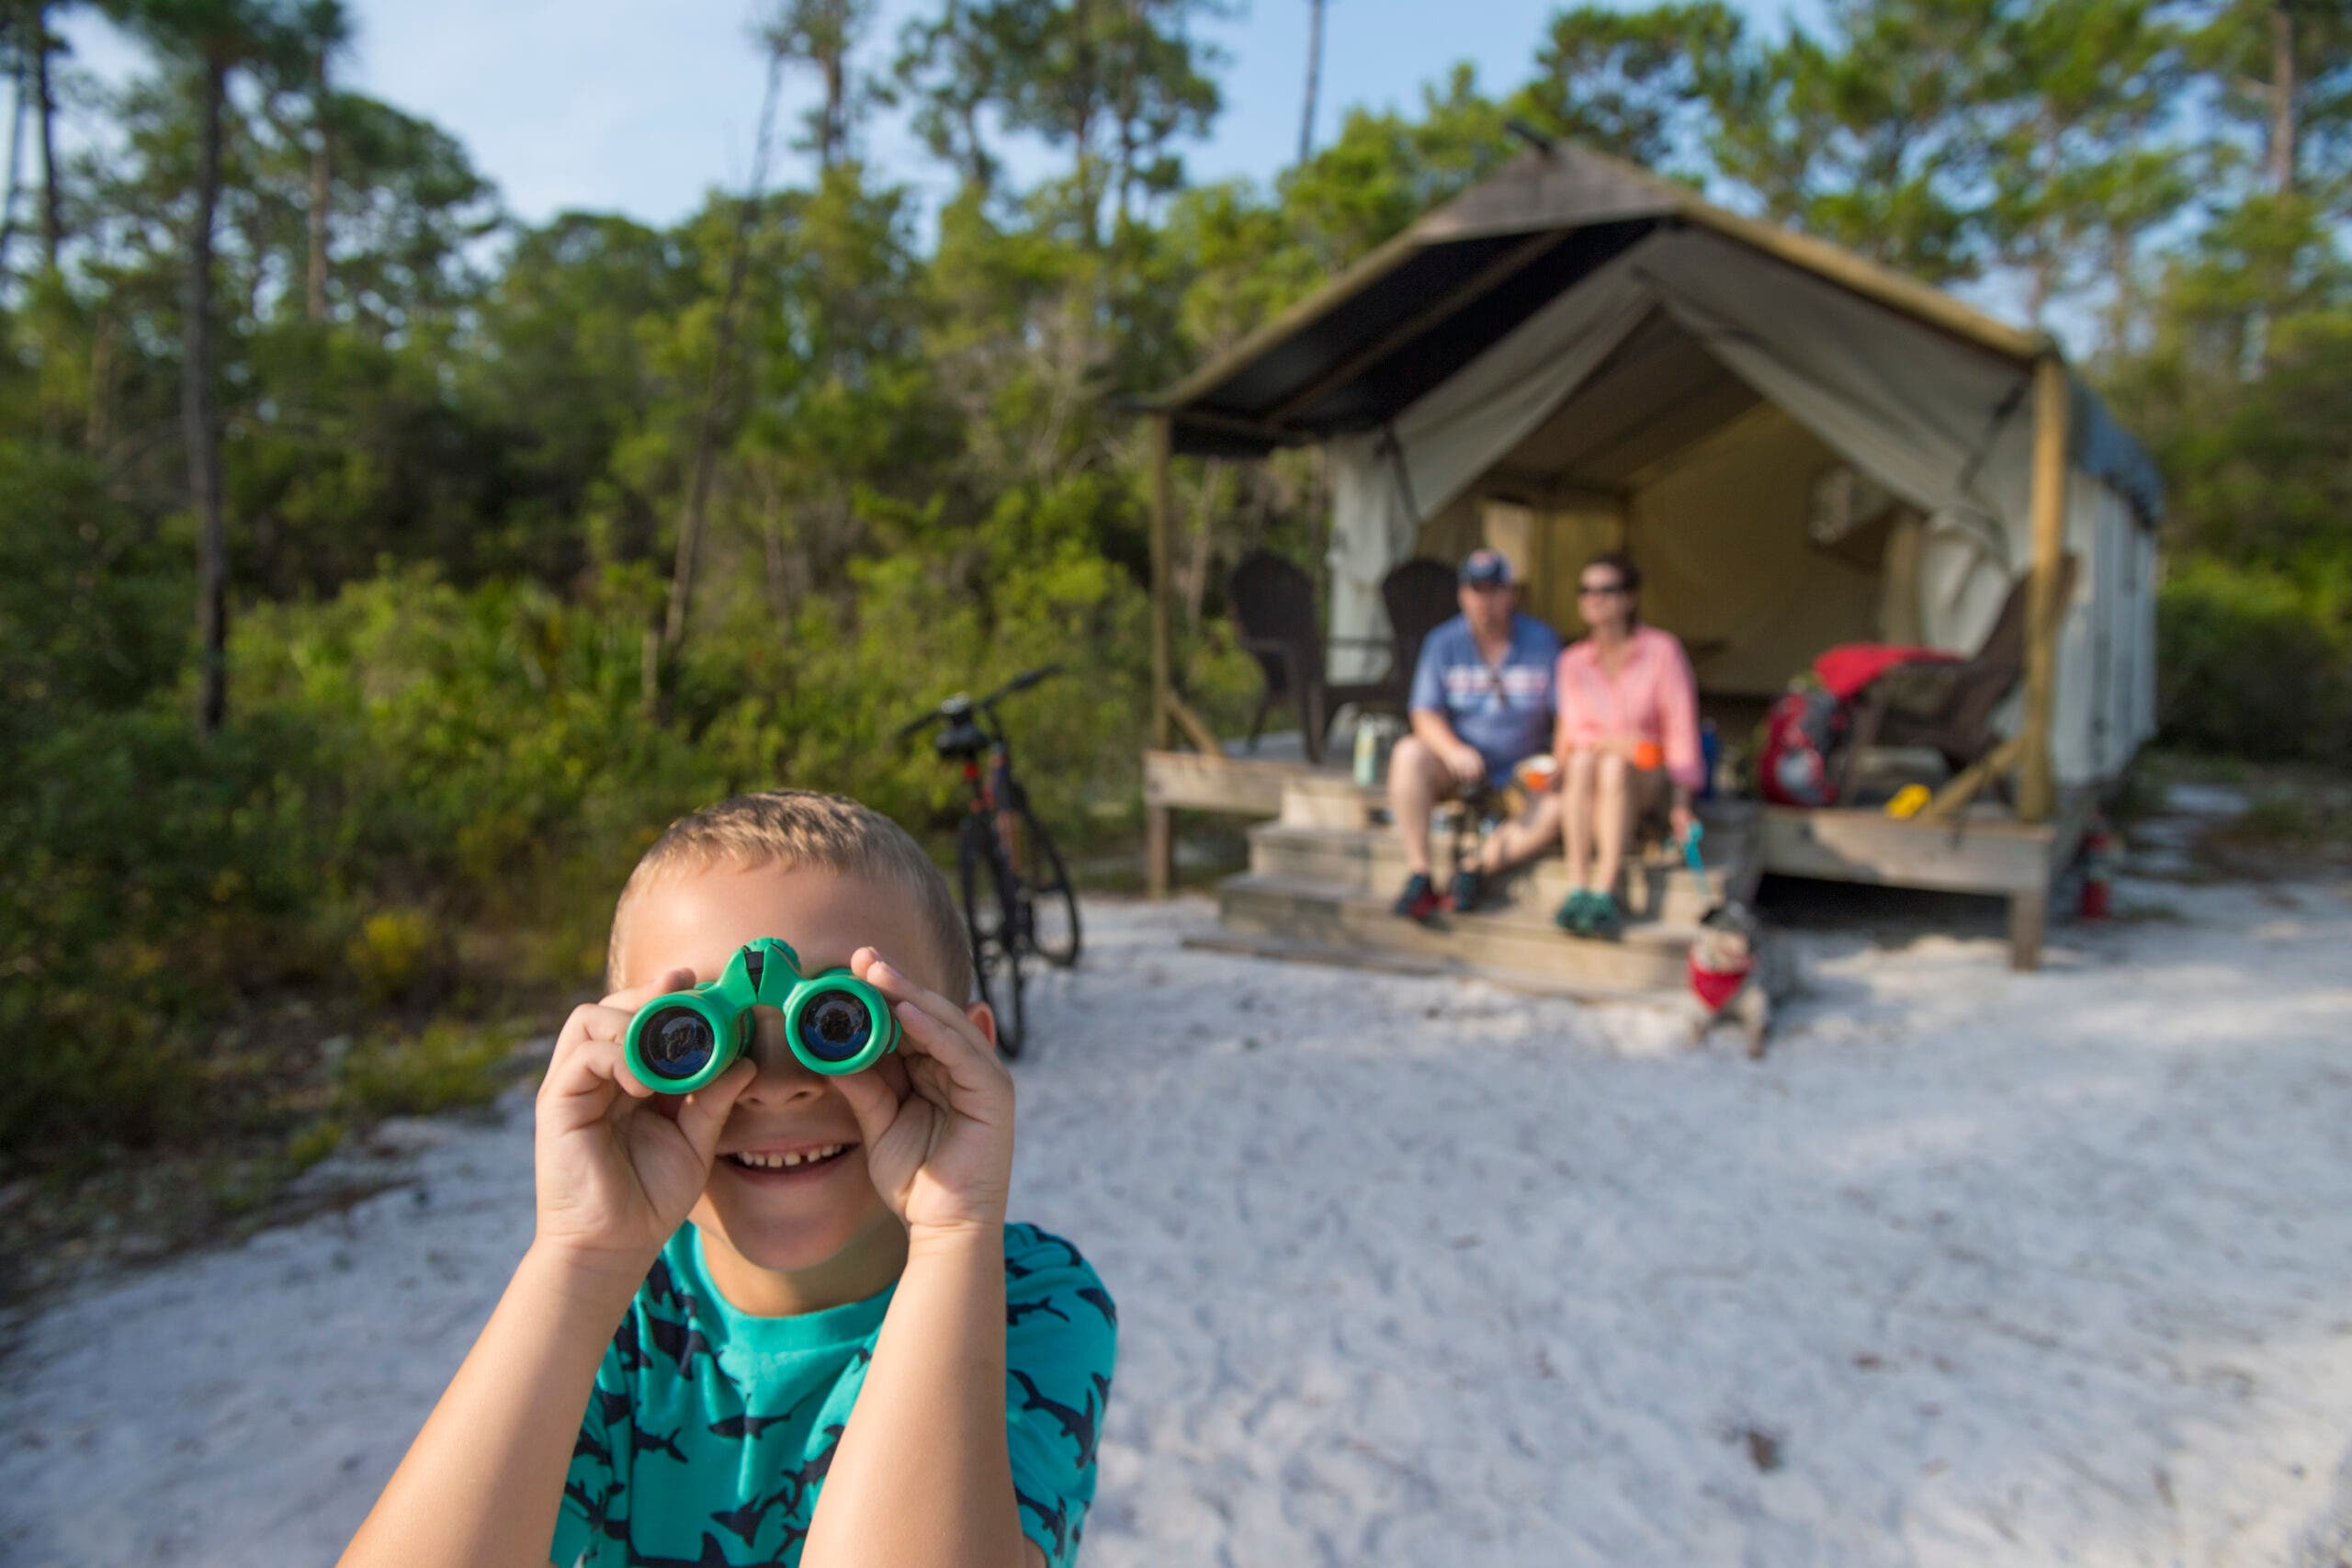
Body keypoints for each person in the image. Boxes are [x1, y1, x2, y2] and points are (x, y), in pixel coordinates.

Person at [338, 790, 1115, 1568]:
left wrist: (954, 1231)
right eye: (692, 1037)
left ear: (962, 1051)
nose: (775, 1086)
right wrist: (580, 1259)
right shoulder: (616, 1323)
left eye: (838, 1024)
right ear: (623, 1061)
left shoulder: (1026, 1301)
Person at [1388, 547, 1563, 920]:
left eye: (1494, 590)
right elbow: (1423, 713)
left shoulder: (1543, 641)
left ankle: (1474, 868)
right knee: (1408, 753)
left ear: (1511, 593)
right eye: (1475, 590)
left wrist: (1558, 762)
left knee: (1559, 806)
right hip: (1462, 766)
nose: (1485, 600)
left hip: (1523, 770)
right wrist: (1453, 750)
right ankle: (1420, 874)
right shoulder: (1442, 642)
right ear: (1462, 595)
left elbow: (1565, 714)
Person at [1552, 550, 1703, 939]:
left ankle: (1605, 888)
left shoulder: (1662, 651)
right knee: (1587, 762)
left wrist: (1683, 804)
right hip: (1589, 778)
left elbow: (1681, 730)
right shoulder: (1572, 661)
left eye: (1606, 589)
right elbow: (1568, 735)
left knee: (1611, 765)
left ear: (1631, 597)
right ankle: (1577, 885)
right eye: (1585, 591)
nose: (1594, 598)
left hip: (1645, 779)